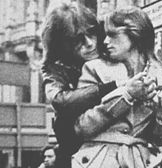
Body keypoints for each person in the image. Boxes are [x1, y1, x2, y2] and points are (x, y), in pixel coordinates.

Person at [40, 2, 155, 168]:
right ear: (62, 46)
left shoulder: (108, 40)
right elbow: (60, 101)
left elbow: (144, 60)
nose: (89, 43)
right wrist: (114, 86)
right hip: (76, 143)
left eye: (91, 34)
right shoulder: (54, 66)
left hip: (126, 147)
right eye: (77, 40)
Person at [72, 6, 162, 168]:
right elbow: (82, 127)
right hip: (99, 160)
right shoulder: (94, 69)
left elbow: (159, 140)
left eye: (112, 34)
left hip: (140, 161)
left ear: (135, 34)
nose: (105, 41)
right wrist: (126, 95)